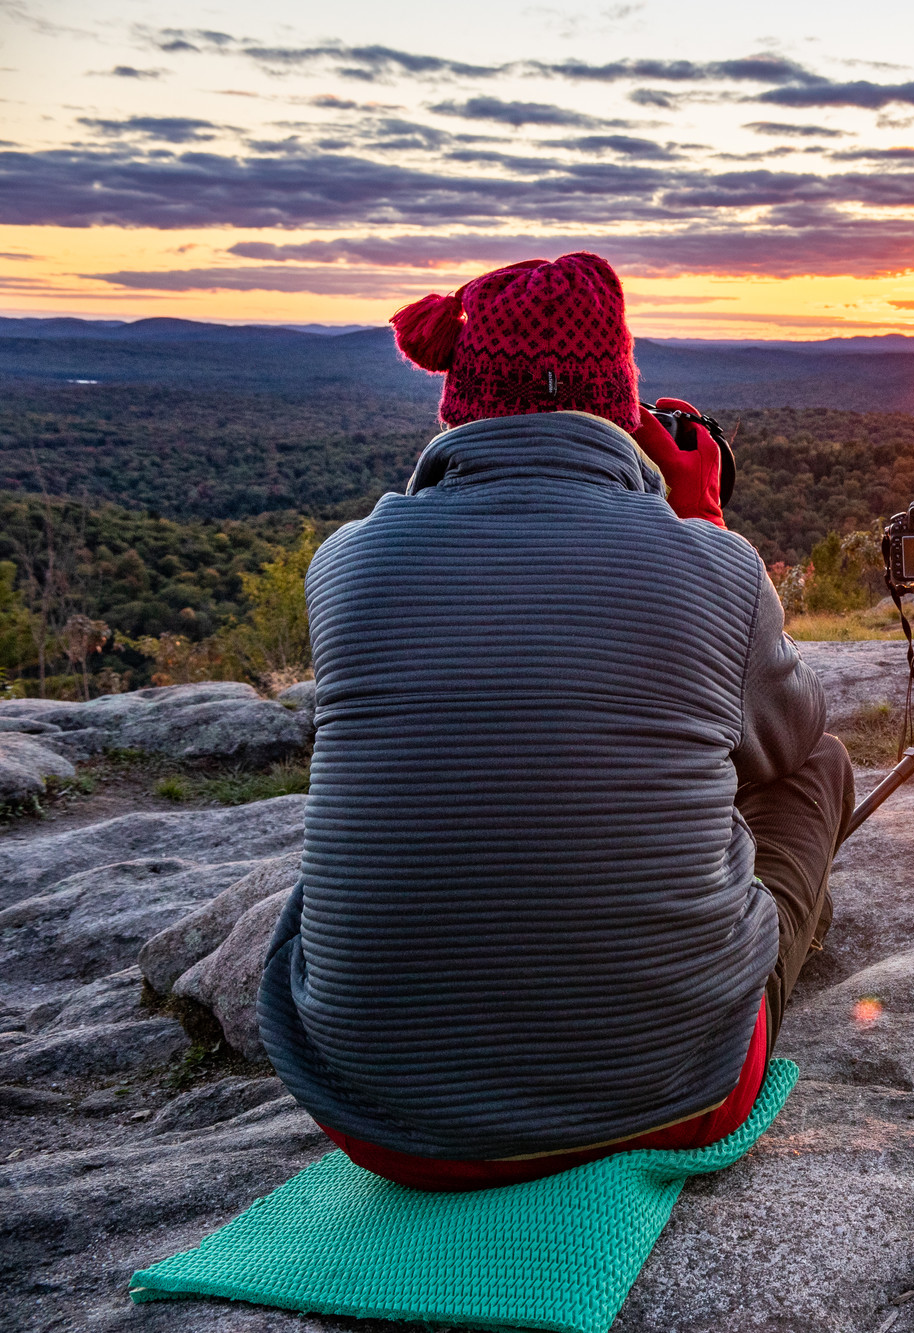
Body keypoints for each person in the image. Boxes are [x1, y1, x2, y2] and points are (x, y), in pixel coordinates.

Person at [258, 252, 853, 1191]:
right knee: (817, 763)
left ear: (456, 399)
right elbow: (785, 737)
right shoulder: (714, 569)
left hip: (378, 1122)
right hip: (671, 1097)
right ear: (627, 407)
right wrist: (706, 529)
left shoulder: (345, 564)